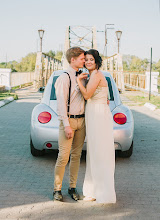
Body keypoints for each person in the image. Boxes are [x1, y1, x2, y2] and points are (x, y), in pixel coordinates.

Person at [77, 49, 116, 203]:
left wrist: (79, 81)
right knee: (94, 151)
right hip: (94, 112)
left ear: (97, 61)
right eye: (86, 59)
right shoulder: (93, 75)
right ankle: (93, 190)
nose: (88, 62)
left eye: (91, 59)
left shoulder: (97, 74)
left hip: (98, 114)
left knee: (99, 151)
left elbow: (87, 95)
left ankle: (101, 192)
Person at [53, 47, 86, 202]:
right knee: (63, 157)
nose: (84, 61)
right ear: (72, 59)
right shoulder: (64, 77)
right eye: (82, 58)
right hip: (69, 121)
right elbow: (60, 104)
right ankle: (57, 189)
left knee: (76, 156)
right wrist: (66, 125)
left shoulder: (83, 75)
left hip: (82, 121)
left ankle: (72, 187)